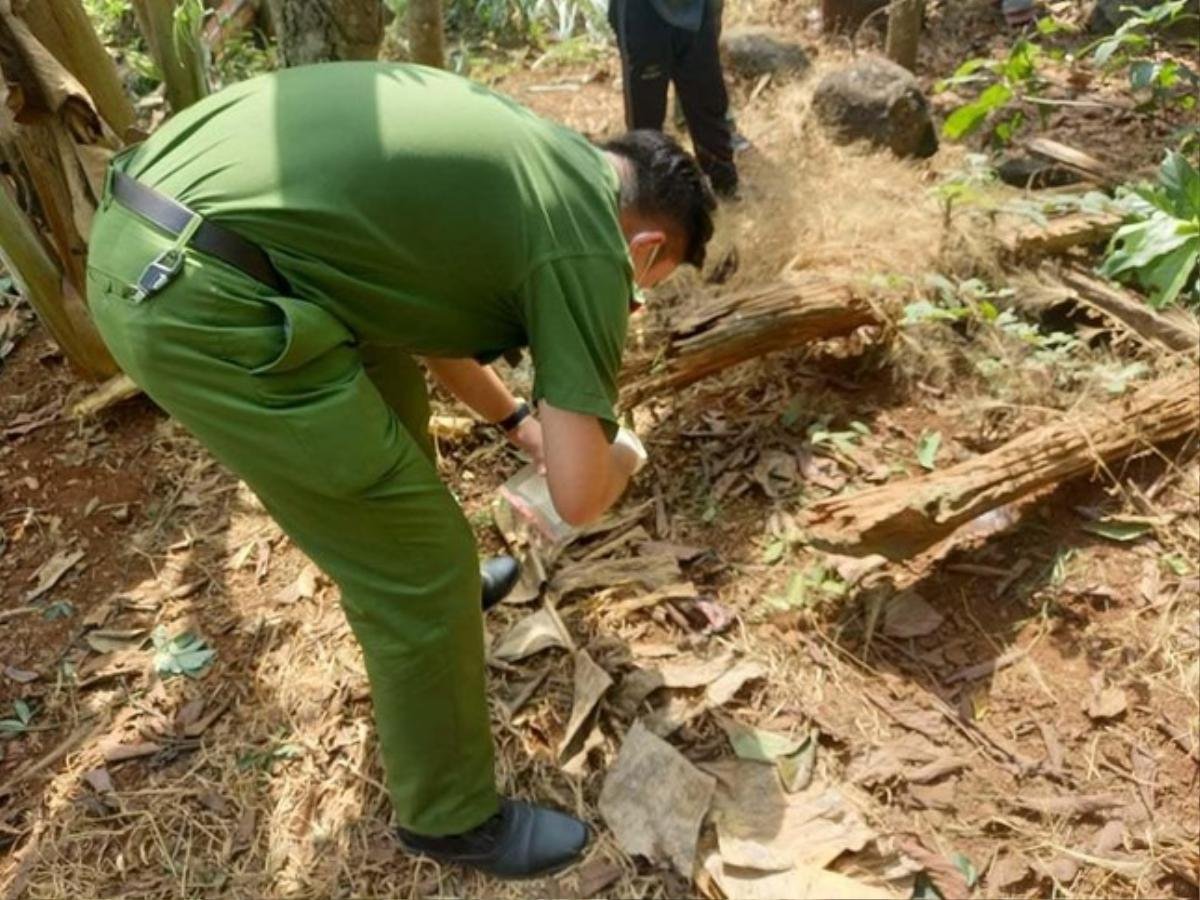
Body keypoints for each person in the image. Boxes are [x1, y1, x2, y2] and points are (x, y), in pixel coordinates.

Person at [86, 61, 715, 879]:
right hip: (196, 296)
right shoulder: (591, 244)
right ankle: (450, 819)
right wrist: (625, 450)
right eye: (650, 286)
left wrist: (517, 420)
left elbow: (412, 305)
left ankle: (432, 595)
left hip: (156, 223)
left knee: (387, 392)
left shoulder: (537, 156)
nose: (636, 298)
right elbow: (578, 495)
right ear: (649, 246)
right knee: (421, 564)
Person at [609, 0, 739, 197]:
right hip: (643, 12)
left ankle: (723, 183)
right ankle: (649, 195)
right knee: (646, 117)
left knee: (707, 97)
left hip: (696, 9)